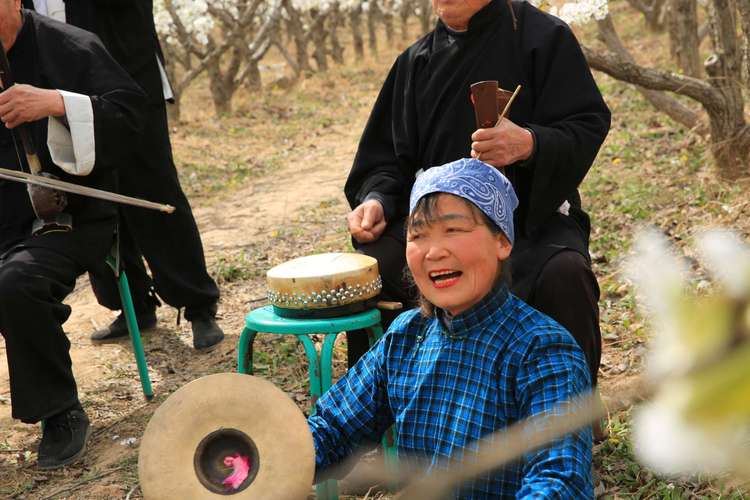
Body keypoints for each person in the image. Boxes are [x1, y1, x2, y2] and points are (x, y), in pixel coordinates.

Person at [344, 0, 610, 390]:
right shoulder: (415, 62)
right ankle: (385, 405)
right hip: (439, 225)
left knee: (562, 274)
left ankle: (572, 408)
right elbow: (387, 161)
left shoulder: (543, 38)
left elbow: (587, 123)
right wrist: (377, 201)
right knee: (375, 264)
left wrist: (530, 143)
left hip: (526, 221)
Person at [310, 158, 593, 497]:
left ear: (502, 241)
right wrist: (259, 460)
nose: (433, 251)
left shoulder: (542, 351)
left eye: (453, 230)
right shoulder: (406, 336)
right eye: (418, 235)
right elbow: (331, 428)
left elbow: (559, 481)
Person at [23, 0, 225, 350]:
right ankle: (133, 304)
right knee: (90, 192)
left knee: (154, 189)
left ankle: (198, 305)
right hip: (59, 93)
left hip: (130, 77)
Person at [0, 1, 145, 468]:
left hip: (72, 219)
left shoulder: (70, 45)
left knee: (15, 284)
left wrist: (58, 103)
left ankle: (60, 412)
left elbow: (131, 121)